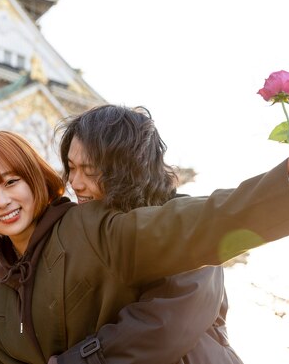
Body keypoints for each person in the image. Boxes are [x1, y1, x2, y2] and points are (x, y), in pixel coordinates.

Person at [0, 130, 289, 364]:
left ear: (34, 180)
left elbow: (181, 226)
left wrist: (277, 196)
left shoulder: (88, 226)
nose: (0, 201)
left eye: (11, 182)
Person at [52, 104, 243, 364]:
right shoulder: (88, 230)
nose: (75, 182)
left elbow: (164, 329)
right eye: (71, 168)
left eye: (90, 170)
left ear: (128, 170)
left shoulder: (185, 223)